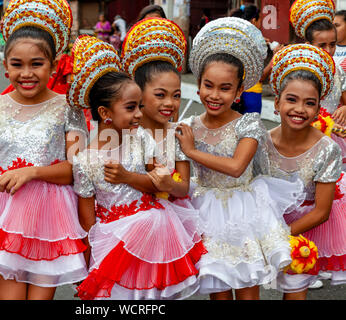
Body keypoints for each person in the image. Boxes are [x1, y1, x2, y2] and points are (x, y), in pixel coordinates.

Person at [0, 0, 88, 300]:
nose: (26, 73)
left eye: (37, 64)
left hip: (50, 216)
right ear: (5, 67)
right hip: (5, 212)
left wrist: (32, 172)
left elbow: (76, 169)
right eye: (17, 64)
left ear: (54, 65)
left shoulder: (68, 107)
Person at [69, 35, 206, 300]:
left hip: (153, 229)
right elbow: (88, 221)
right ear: (105, 113)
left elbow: (158, 182)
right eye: (131, 108)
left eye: (140, 107)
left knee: (152, 296)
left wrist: (128, 177)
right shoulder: (84, 160)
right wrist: (89, 266)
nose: (139, 115)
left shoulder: (140, 139)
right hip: (112, 241)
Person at [177, 17, 305, 300]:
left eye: (225, 88)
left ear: (238, 92)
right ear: (197, 86)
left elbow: (237, 167)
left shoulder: (247, 124)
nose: (214, 95)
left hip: (245, 211)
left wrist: (192, 152)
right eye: (208, 86)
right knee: (219, 289)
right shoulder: (188, 126)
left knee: (248, 291)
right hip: (206, 211)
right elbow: (181, 179)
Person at [267, 43, 346, 299]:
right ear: (276, 102)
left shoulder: (327, 149)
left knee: (294, 288)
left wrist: (280, 237)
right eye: (291, 100)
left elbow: (322, 211)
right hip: (265, 224)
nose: (300, 109)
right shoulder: (260, 142)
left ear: (317, 110)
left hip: (305, 229)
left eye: (309, 103)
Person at [121, 17, 193, 210]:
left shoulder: (178, 135)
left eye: (176, 95)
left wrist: (170, 185)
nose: (169, 103)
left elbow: (184, 187)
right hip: (128, 216)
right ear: (138, 92)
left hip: (172, 217)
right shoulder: (124, 133)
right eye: (160, 95)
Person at [291, 0, 346, 170]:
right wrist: (326, 123)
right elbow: (292, 110)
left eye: (333, 44)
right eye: (322, 45)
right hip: (305, 137)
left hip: (336, 138)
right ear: (309, 45)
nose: (329, 51)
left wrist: (344, 109)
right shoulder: (298, 74)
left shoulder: (338, 70)